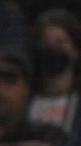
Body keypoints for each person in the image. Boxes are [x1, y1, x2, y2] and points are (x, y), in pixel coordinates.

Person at [25, 8, 81, 136]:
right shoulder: (23, 101)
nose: (51, 49)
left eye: (59, 42)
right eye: (44, 42)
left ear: (76, 51)